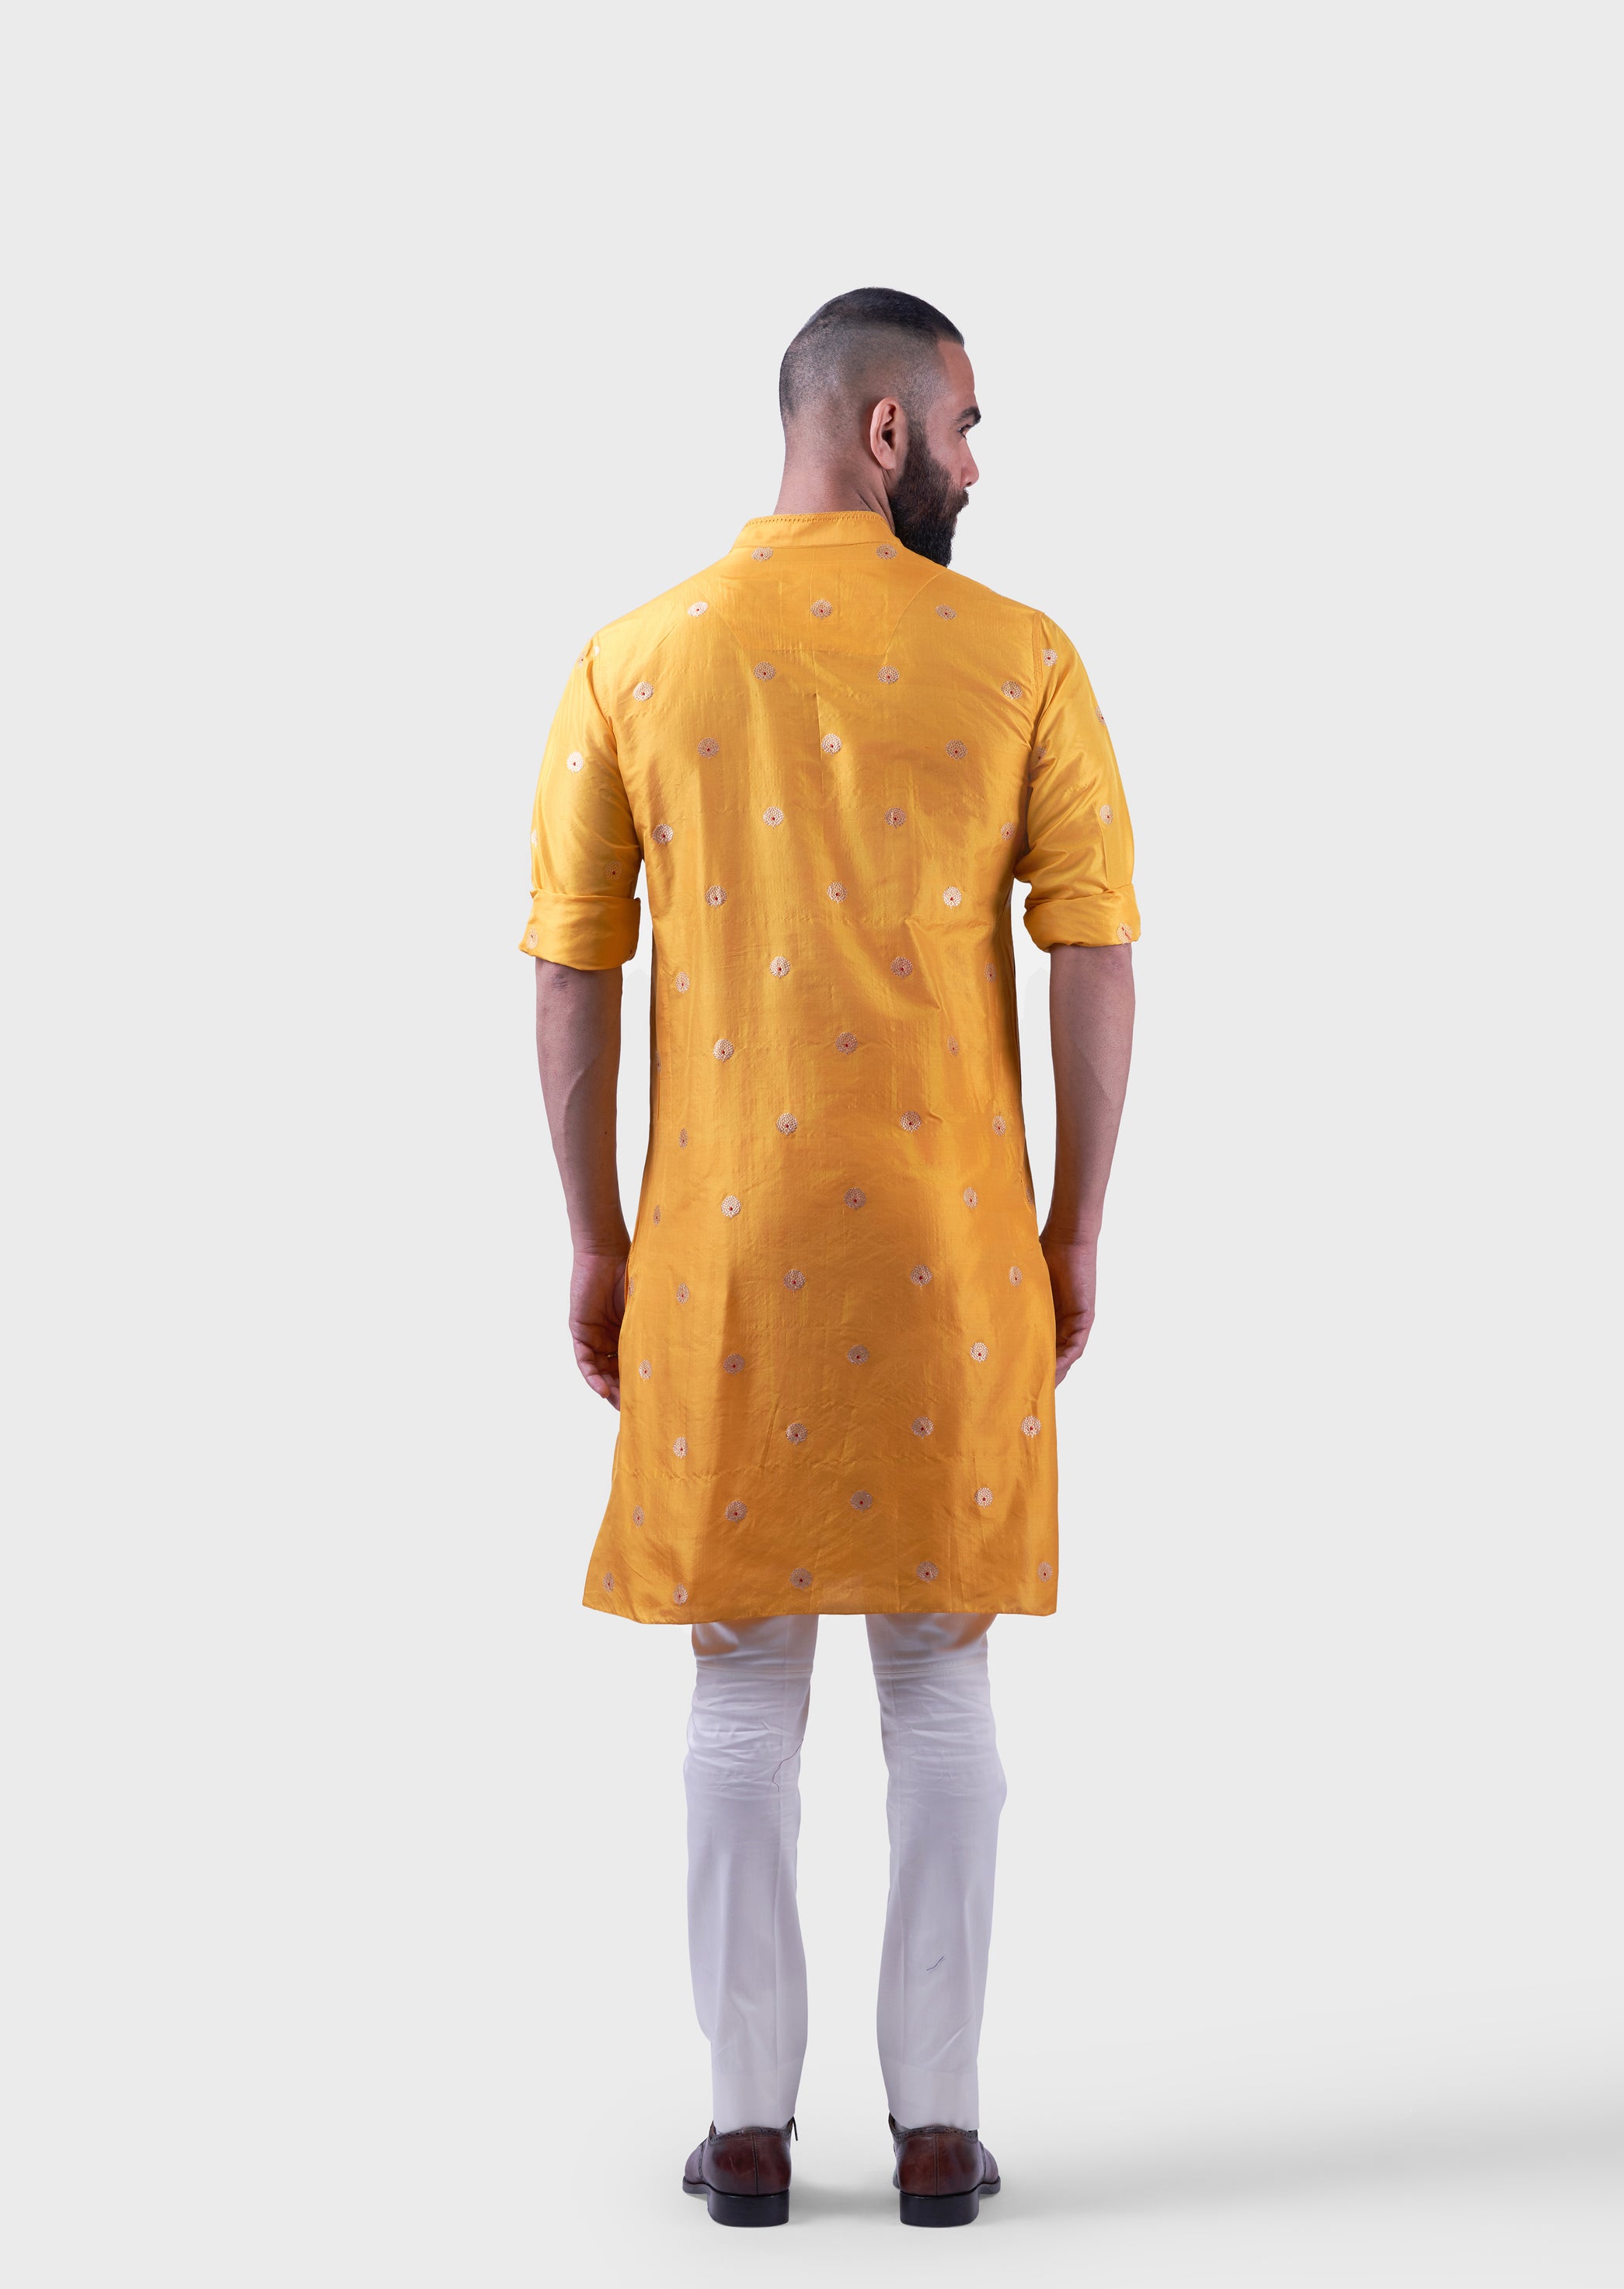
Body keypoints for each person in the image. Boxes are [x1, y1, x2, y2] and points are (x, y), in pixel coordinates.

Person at [522, 287, 1138, 2228]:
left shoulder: (634, 659)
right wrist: (1072, 1226)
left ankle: (749, 2136)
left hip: (720, 1255)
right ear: (886, 433)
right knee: (939, 1689)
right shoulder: (1020, 659)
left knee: (739, 1695)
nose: (977, 461)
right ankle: (938, 2132)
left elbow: (570, 975)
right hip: (955, 1255)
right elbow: (1094, 954)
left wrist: (597, 1238)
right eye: (965, 423)